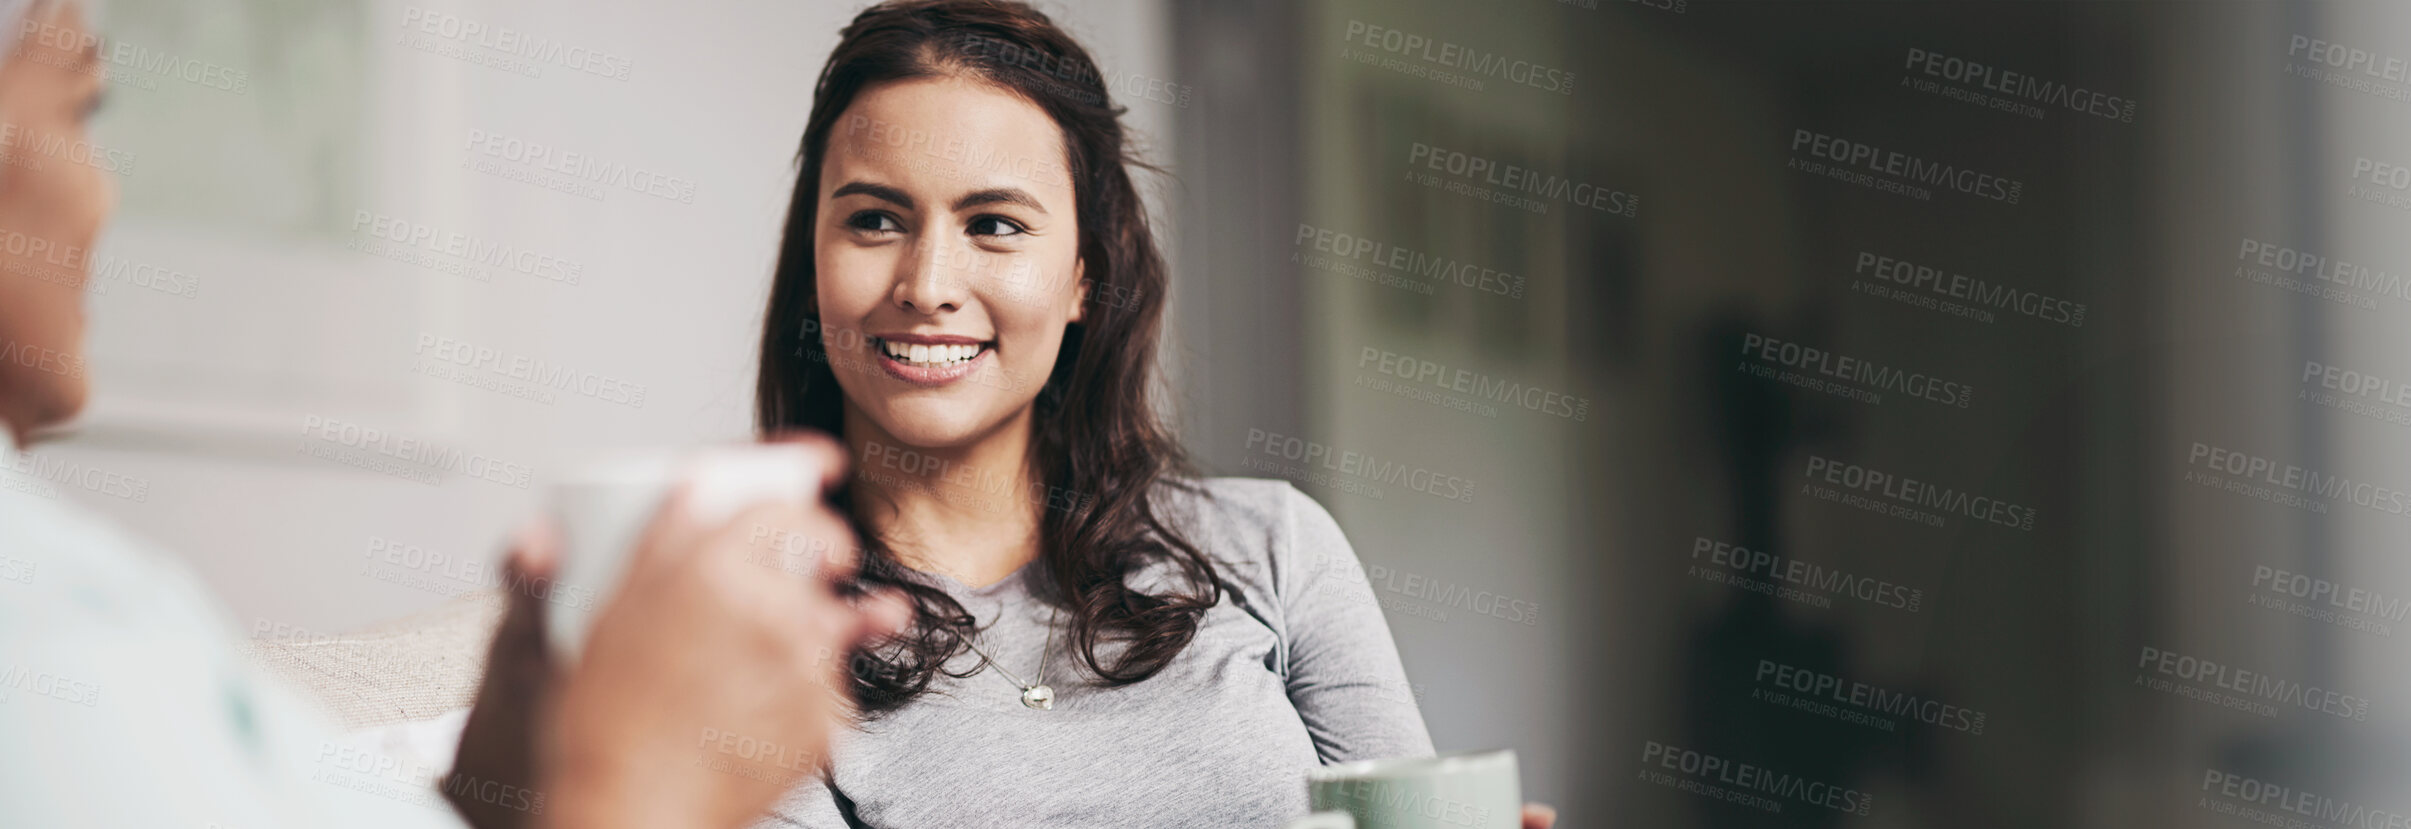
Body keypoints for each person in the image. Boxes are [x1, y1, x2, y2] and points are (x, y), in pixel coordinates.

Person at [0, 2, 908, 828]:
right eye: (79, 110)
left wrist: (495, 779)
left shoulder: (67, 571)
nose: (102, 193)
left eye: (994, 224)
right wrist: (630, 789)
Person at [672, 1, 1557, 825]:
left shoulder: (1275, 547)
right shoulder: (752, 632)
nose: (927, 286)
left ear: (1084, 277)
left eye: (995, 225)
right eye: (873, 219)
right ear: (813, 260)